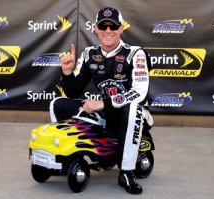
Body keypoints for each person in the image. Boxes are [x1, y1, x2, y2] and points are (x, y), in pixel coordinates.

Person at [49, 7, 153, 194]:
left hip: (133, 114)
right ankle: (66, 157)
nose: (108, 31)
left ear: (121, 28)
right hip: (107, 112)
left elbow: (140, 93)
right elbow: (72, 91)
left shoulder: (136, 53)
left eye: (112, 26)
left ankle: (127, 172)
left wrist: (104, 103)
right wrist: (67, 72)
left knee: (133, 109)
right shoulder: (89, 54)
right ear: (96, 29)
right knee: (57, 104)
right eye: (103, 26)